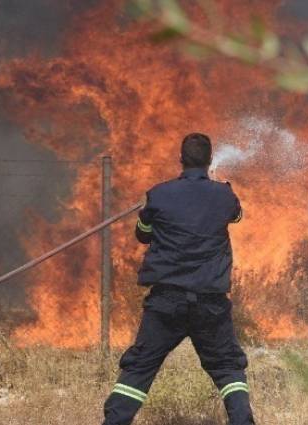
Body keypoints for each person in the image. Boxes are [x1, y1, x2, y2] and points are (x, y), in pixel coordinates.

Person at [101, 133, 254, 425]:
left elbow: (143, 234)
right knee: (227, 368)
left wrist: (148, 210)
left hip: (166, 303)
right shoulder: (224, 195)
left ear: (180, 160)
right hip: (210, 303)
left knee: (139, 368)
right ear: (210, 160)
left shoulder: (158, 195)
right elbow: (235, 216)